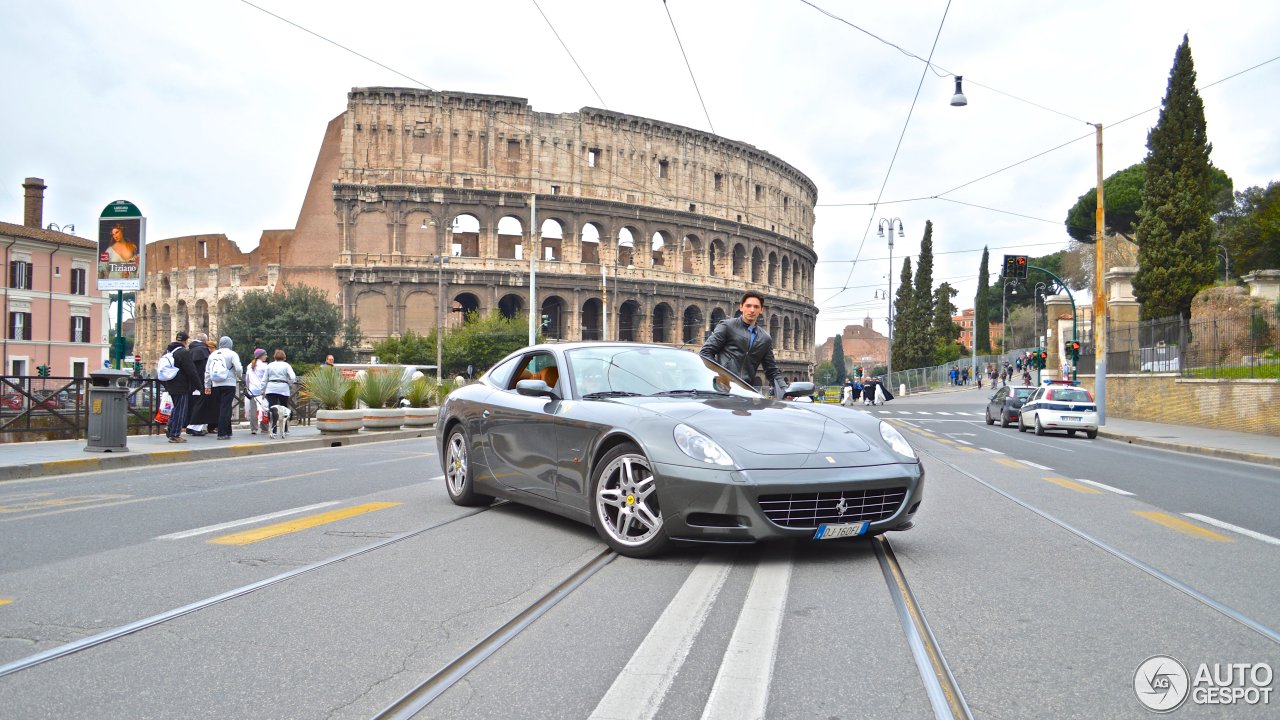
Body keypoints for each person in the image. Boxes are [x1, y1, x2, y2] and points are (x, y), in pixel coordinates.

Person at [699, 290, 783, 396]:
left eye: (756, 307)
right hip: (722, 390)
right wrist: (722, 377)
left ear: (761, 310)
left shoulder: (765, 338)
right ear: (741, 307)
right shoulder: (727, 326)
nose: (752, 310)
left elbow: (772, 371)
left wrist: (784, 390)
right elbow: (705, 353)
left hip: (745, 392)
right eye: (748, 306)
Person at [160, 332, 201, 443]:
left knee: (176, 407)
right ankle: (175, 435)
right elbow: (191, 371)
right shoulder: (183, 352)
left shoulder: (168, 351)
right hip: (181, 386)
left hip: (170, 385)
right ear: (186, 340)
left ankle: (169, 426)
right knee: (180, 410)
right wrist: (199, 386)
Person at [205, 336, 244, 440]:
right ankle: (222, 433)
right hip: (229, 383)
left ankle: (228, 430)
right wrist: (238, 376)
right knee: (226, 407)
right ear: (230, 344)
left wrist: (207, 385)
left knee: (221, 408)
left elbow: (207, 371)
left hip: (216, 384)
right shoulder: (232, 354)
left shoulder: (213, 355)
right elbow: (239, 368)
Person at [184, 333, 215, 436]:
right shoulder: (202, 350)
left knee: (194, 404)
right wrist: (206, 384)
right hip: (200, 383)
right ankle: (195, 427)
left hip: (190, 383)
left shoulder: (190, 349)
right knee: (201, 405)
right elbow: (205, 369)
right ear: (205, 341)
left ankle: (190, 426)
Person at [263, 349, 297, 438]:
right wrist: (288, 383)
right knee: (284, 408)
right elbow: (293, 377)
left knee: (273, 409)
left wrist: (262, 390)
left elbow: (264, 379)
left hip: (271, 388)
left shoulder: (269, 365)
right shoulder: (286, 365)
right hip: (283, 388)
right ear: (284, 357)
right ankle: (285, 430)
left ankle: (273, 431)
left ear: (274, 356)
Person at [243, 348, 269, 435]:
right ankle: (264, 428)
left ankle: (253, 429)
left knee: (253, 410)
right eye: (265, 355)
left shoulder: (250, 365)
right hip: (262, 390)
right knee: (264, 409)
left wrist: (247, 388)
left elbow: (247, 379)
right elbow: (266, 379)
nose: (266, 356)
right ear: (261, 356)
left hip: (252, 390)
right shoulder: (264, 366)